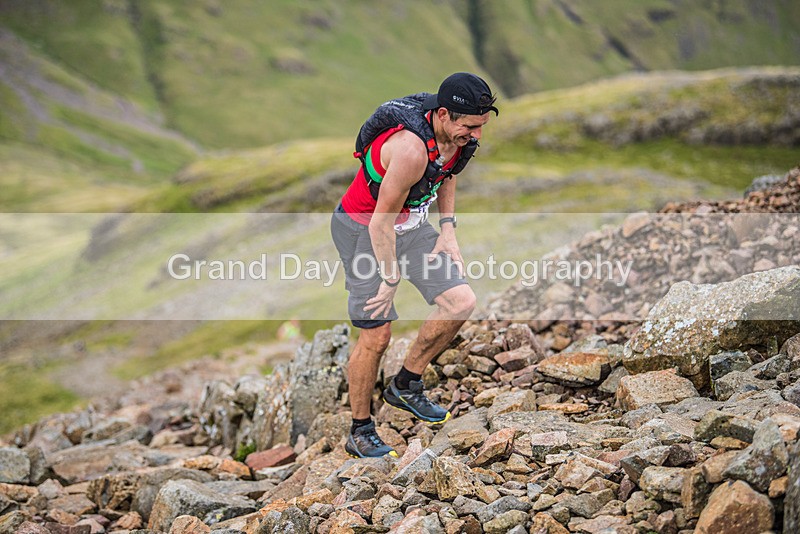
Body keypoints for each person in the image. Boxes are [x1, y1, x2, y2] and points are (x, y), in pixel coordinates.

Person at [330, 72, 498, 458]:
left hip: (410, 226)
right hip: (362, 229)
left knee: (461, 302)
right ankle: (359, 430)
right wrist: (390, 277)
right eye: (471, 127)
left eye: (481, 127)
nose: (477, 136)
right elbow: (379, 223)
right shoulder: (409, 150)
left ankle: (405, 384)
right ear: (443, 115)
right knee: (377, 334)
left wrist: (448, 230)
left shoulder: (456, 139)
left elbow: (448, 174)